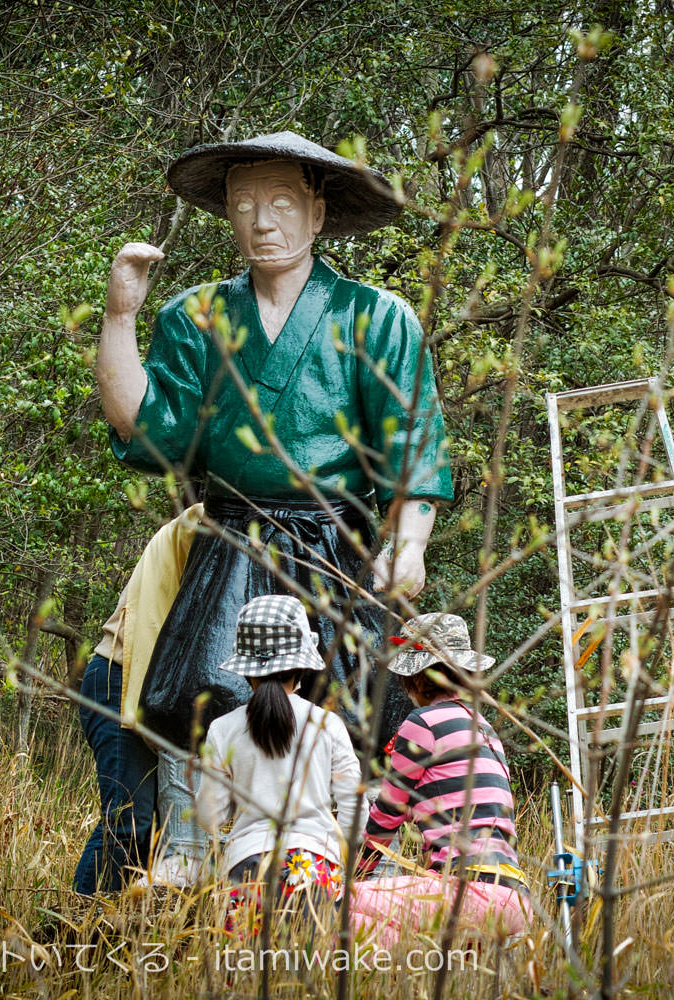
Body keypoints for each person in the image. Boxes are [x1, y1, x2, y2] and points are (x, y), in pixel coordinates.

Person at [97, 131, 453, 757]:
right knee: (203, 705)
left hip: (335, 547)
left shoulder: (377, 318)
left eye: (282, 202)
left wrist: (411, 543)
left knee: (355, 715)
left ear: (317, 213)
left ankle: (345, 850)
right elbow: (147, 429)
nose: (262, 222)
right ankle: (198, 847)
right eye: (243, 205)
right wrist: (120, 318)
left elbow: (412, 448)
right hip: (230, 544)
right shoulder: (195, 315)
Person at [350, 613, 531, 951]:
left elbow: (386, 818)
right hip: (514, 899)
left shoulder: (424, 723)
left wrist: (356, 873)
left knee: (339, 904)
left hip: (468, 892)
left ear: (417, 678)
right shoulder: (485, 729)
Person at [196, 594, 361, 936]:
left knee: (246, 972)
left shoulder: (222, 729)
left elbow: (209, 817)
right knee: (310, 972)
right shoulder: (327, 725)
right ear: (300, 665)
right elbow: (353, 808)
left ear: (246, 669)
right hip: (317, 865)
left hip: (248, 866)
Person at [74, 504, 202, 895]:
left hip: (162, 691)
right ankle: (79, 925)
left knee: (165, 831)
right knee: (130, 820)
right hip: (118, 677)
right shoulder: (197, 524)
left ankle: (125, 931)